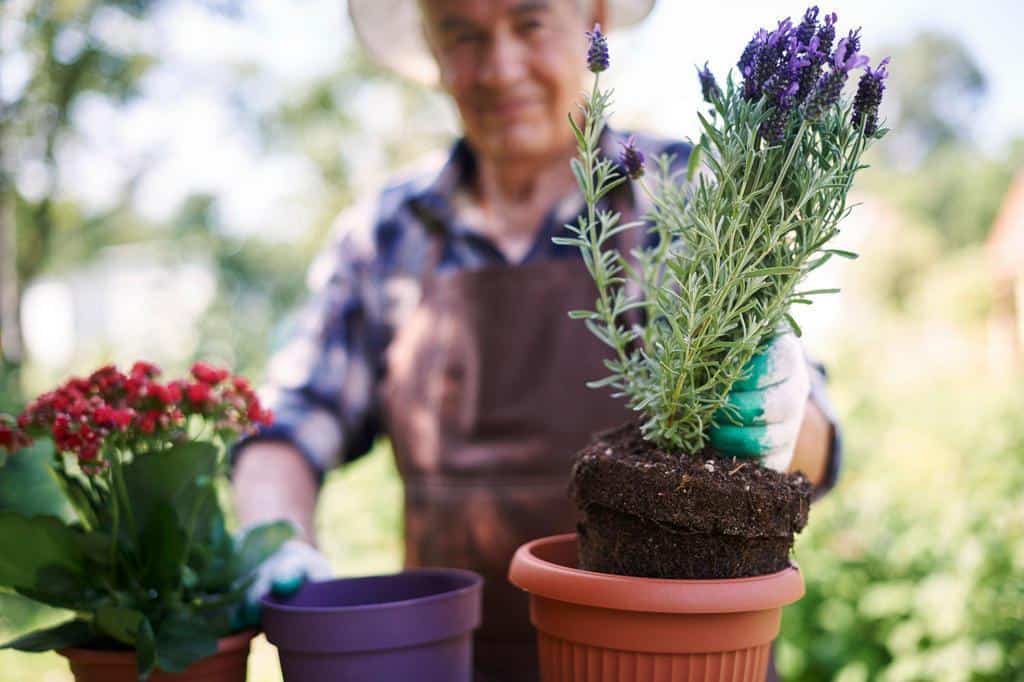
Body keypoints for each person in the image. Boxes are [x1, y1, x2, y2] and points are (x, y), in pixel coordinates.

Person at [232, 1, 841, 680]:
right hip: (459, 660)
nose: (501, 68)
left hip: (666, 656)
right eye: (463, 35)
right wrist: (274, 534)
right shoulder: (387, 233)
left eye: (530, 24)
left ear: (595, 22)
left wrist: (775, 416)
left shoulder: (690, 195)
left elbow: (818, 449)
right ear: (431, 50)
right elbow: (291, 417)